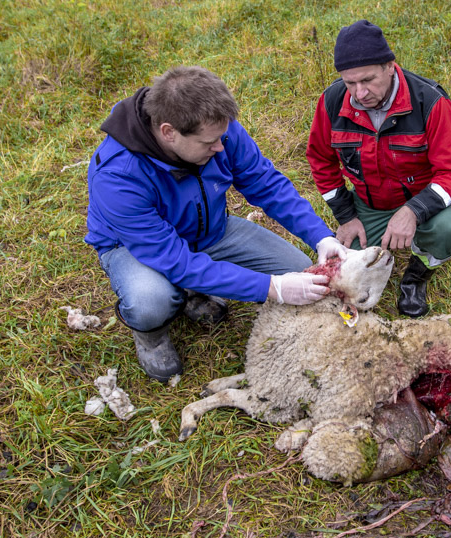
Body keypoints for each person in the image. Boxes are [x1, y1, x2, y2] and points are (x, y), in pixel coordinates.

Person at [86, 66, 349, 383]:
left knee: (296, 267)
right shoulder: (118, 175)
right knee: (150, 301)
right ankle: (151, 334)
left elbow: (265, 183)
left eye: (223, 137)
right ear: (169, 132)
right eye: (209, 143)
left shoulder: (216, 129)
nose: (221, 148)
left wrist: (320, 236)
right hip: (135, 249)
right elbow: (175, 260)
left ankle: (200, 289)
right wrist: (272, 288)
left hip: (210, 230)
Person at [306, 20, 451, 318]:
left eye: (368, 80)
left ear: (390, 66)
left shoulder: (430, 102)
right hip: (368, 204)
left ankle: (417, 275)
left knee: (447, 229)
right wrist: (347, 217)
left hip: (421, 198)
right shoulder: (331, 101)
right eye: (350, 83)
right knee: (344, 264)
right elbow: (320, 159)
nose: (360, 92)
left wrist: (412, 212)